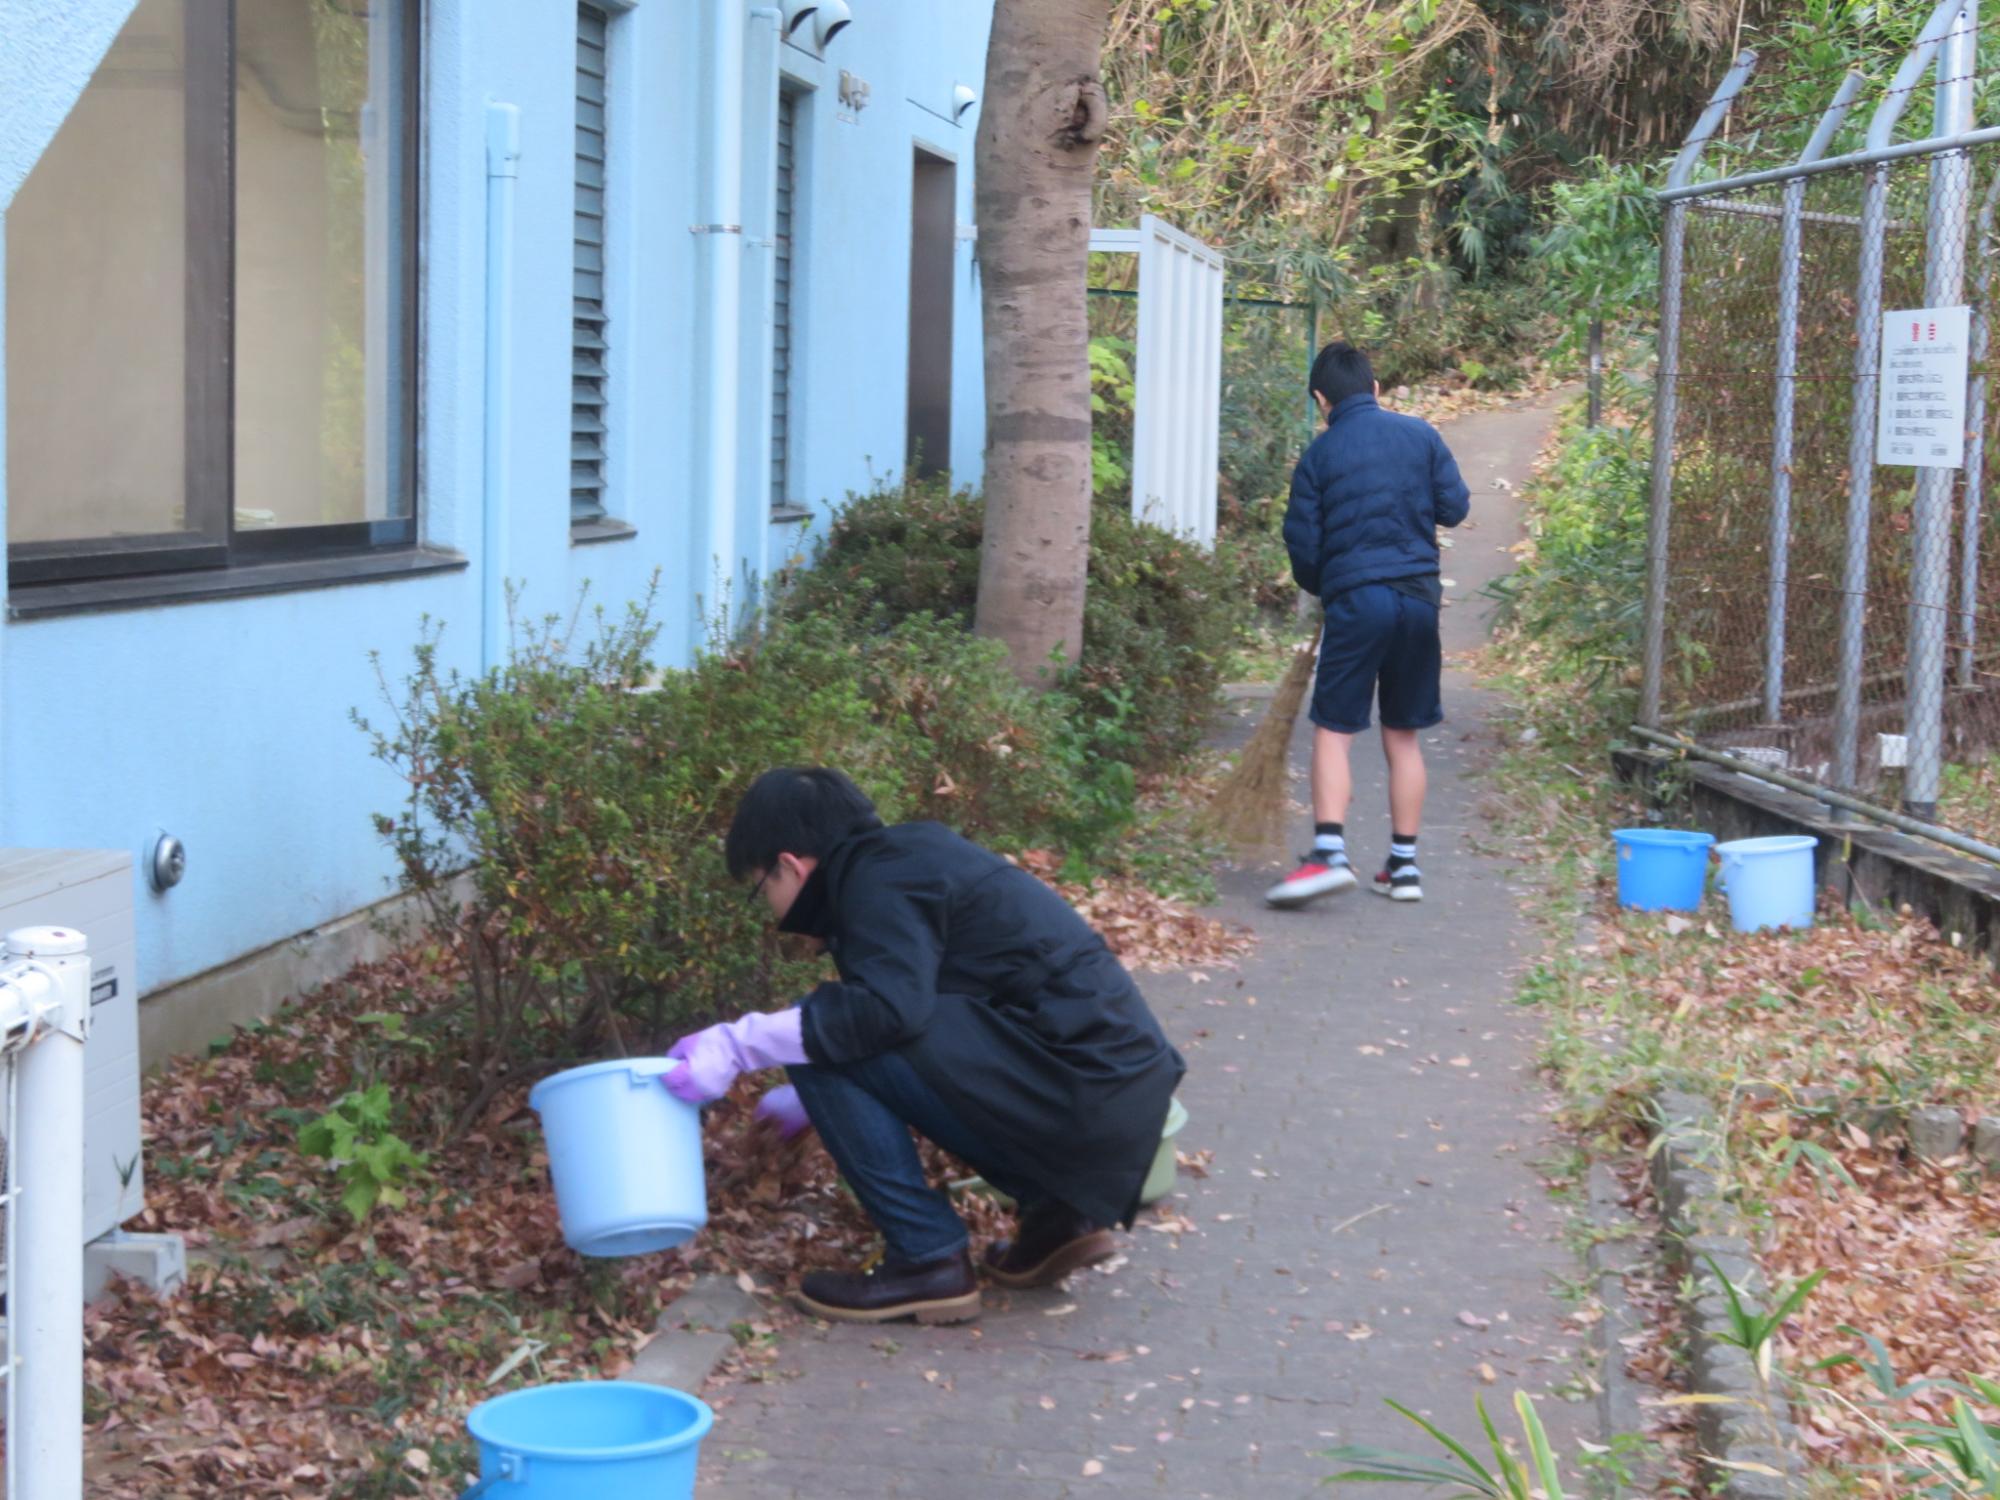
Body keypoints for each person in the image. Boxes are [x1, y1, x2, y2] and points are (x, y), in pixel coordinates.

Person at [662, 768, 1186, 1326]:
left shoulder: (876, 881)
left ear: (790, 864)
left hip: (1084, 1092)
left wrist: (739, 1044)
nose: (770, 906)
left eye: (762, 887)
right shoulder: (903, 862)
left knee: (825, 1033)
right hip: (1109, 1092)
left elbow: (886, 1014)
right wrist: (810, 1093)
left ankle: (926, 1258)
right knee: (831, 1033)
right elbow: (935, 1017)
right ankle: (1057, 1216)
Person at [1266, 341, 1470, 910]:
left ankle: (1329, 853)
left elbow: (1304, 546)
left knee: (1334, 727)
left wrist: (1323, 584)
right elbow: (1454, 508)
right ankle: (1404, 867)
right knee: (1402, 734)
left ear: (1320, 400)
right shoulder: (1422, 435)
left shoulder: (1319, 456)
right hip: (1418, 601)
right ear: (1376, 390)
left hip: (1358, 601)